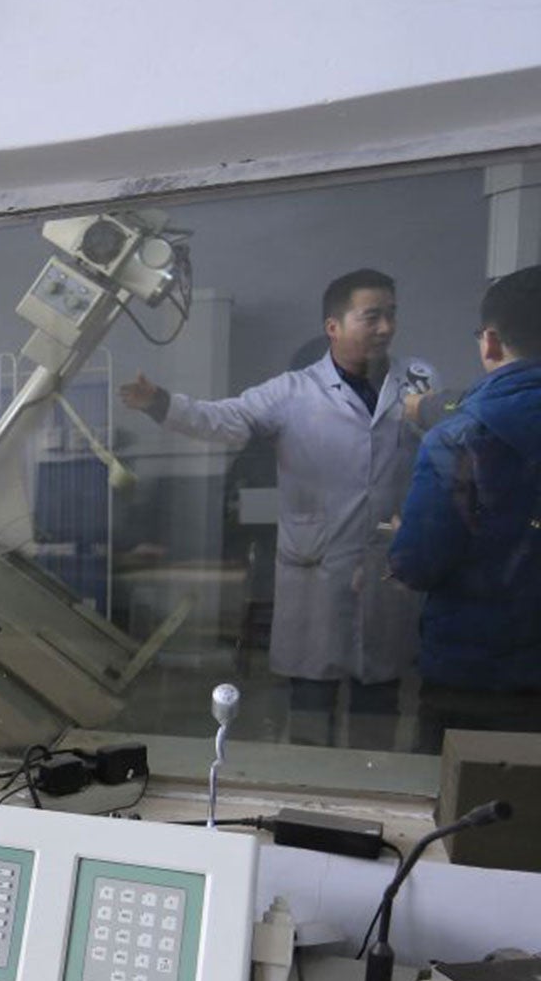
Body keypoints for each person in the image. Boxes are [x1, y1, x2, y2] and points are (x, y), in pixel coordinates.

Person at [120, 268, 434, 748]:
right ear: (335, 326)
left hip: (385, 566)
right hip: (317, 567)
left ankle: (374, 793)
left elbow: (439, 453)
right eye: (372, 317)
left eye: (391, 315)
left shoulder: (416, 384)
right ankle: (312, 803)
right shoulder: (292, 392)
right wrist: (160, 403)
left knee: (380, 700)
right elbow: (224, 419)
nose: (386, 328)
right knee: (311, 702)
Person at [389, 265, 541, 749]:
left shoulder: (458, 440)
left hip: (476, 680)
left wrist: (401, 536)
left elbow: (418, 562)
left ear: (491, 342)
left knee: (463, 808)